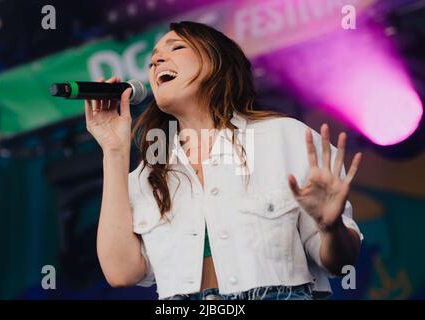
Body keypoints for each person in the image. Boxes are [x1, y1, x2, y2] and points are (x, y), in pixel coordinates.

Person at [84, 21, 363, 300]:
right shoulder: (149, 172)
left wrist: (331, 227)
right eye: (152, 58)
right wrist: (114, 150)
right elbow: (121, 273)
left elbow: (340, 262)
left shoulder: (284, 136)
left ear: (218, 63)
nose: (156, 60)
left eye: (177, 47)